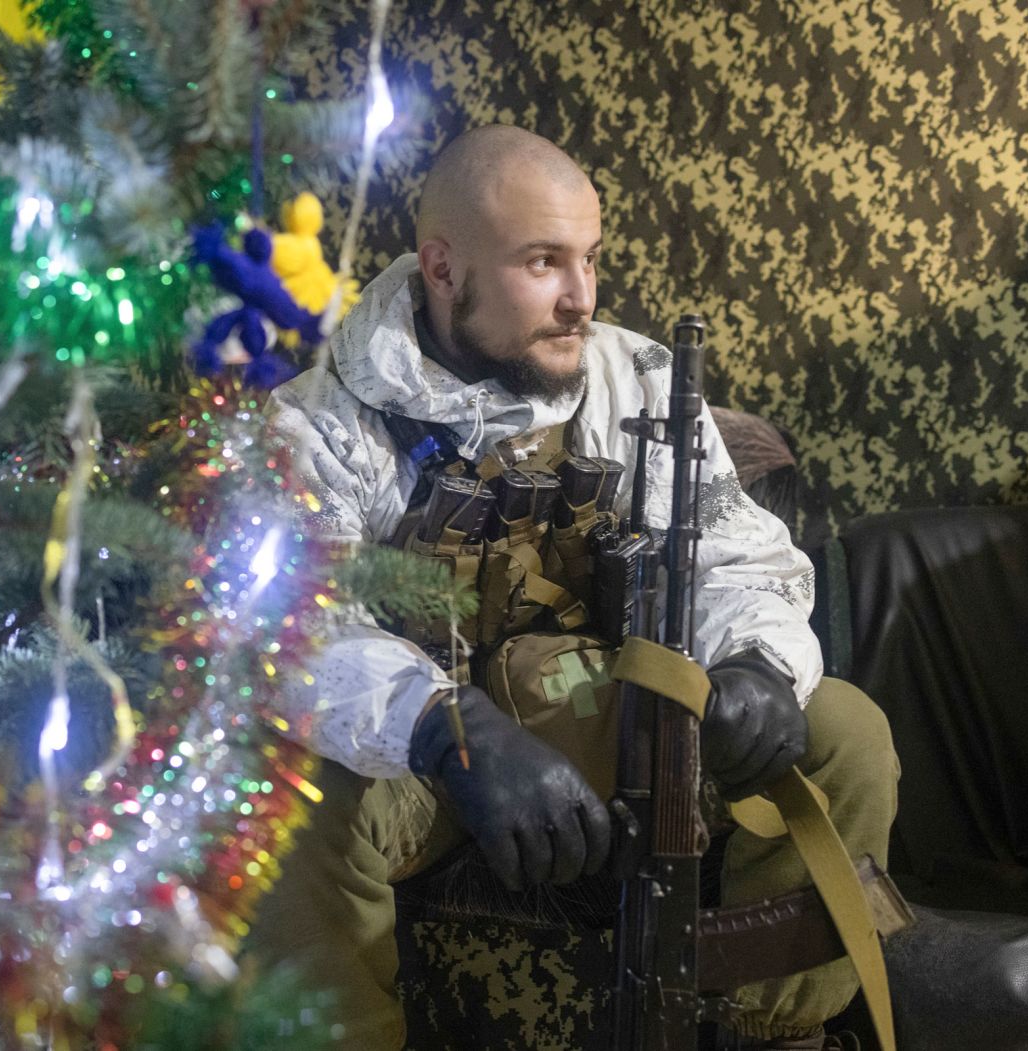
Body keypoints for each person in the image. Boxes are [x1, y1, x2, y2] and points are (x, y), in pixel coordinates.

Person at [253, 125, 899, 1051]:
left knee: (848, 734)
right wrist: (444, 727)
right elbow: (290, 625)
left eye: (590, 259)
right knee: (290, 800)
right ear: (442, 269)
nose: (581, 297)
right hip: (430, 763)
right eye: (543, 262)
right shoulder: (325, 423)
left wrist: (757, 662)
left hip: (617, 709)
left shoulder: (635, 380)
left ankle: (777, 1034)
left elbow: (733, 555)